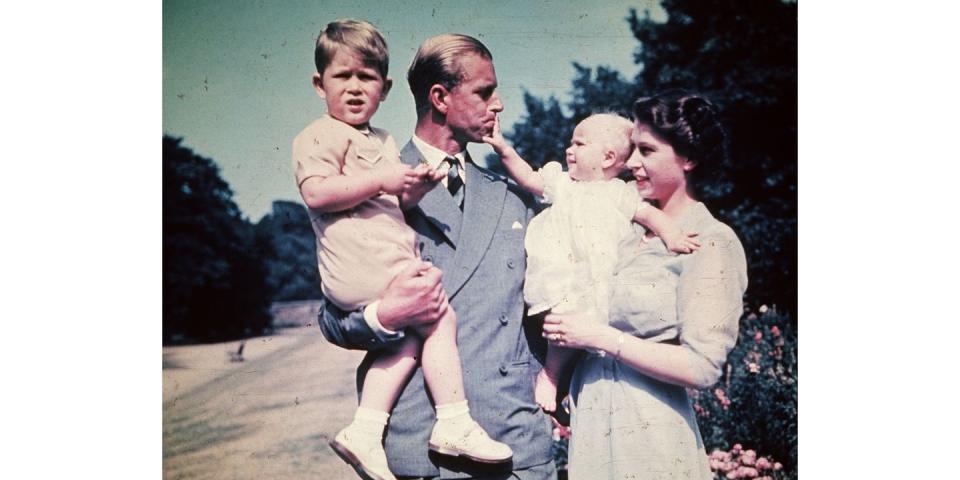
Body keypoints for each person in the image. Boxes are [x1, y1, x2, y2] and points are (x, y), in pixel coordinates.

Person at [318, 33, 557, 480]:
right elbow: (332, 317)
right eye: (485, 92)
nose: (498, 104)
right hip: (417, 447)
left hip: (511, 442)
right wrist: (385, 315)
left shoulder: (512, 195)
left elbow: (550, 303)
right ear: (440, 97)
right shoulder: (367, 185)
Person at [538, 91, 748, 479]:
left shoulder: (710, 241)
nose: (631, 162)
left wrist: (601, 337)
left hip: (653, 439)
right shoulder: (622, 232)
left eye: (646, 151)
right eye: (632, 149)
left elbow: (702, 367)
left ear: (688, 158)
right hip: (593, 431)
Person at [482, 112, 700, 413]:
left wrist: (672, 235)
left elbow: (652, 215)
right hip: (562, 269)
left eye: (579, 144)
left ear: (608, 157)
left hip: (599, 274)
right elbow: (530, 178)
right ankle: (551, 375)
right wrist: (503, 149)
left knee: (590, 328)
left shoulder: (620, 194)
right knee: (565, 320)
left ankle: (569, 385)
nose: (568, 150)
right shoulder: (563, 184)